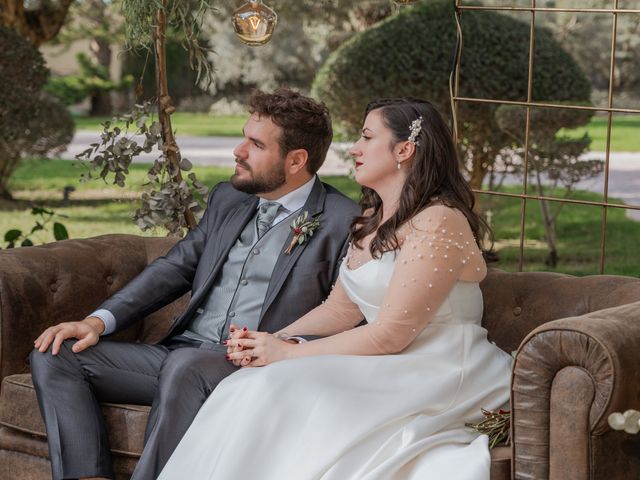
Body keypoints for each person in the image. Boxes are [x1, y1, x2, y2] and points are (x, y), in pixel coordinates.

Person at [158, 98, 513, 480]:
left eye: (366, 136)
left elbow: (391, 335)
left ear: (404, 150)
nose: (354, 149)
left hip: (440, 367)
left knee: (280, 387)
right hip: (389, 362)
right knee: (252, 383)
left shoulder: (439, 220)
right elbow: (341, 310)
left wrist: (288, 354)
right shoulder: (371, 220)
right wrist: (272, 339)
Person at [29, 88, 359, 480]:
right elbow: (175, 267)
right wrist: (97, 322)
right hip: (180, 356)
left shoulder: (342, 220)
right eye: (243, 137)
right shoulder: (229, 198)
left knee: (185, 366)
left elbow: (347, 315)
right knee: (56, 352)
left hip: (256, 368)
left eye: (255, 144)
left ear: (296, 160)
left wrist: (288, 345)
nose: (238, 151)